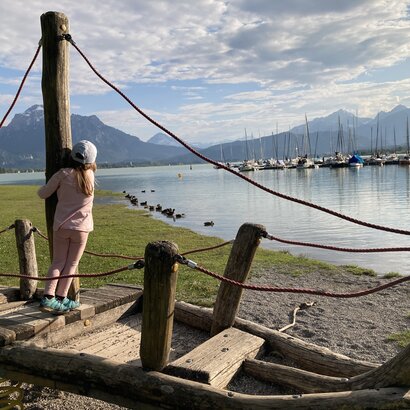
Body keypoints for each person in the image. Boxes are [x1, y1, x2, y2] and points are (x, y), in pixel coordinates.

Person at [37, 140, 97, 314]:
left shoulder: (62, 174)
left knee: (58, 262)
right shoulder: (91, 177)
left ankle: (49, 297)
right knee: (72, 264)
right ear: (92, 161)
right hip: (82, 229)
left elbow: (43, 193)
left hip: (62, 226)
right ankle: (61, 298)